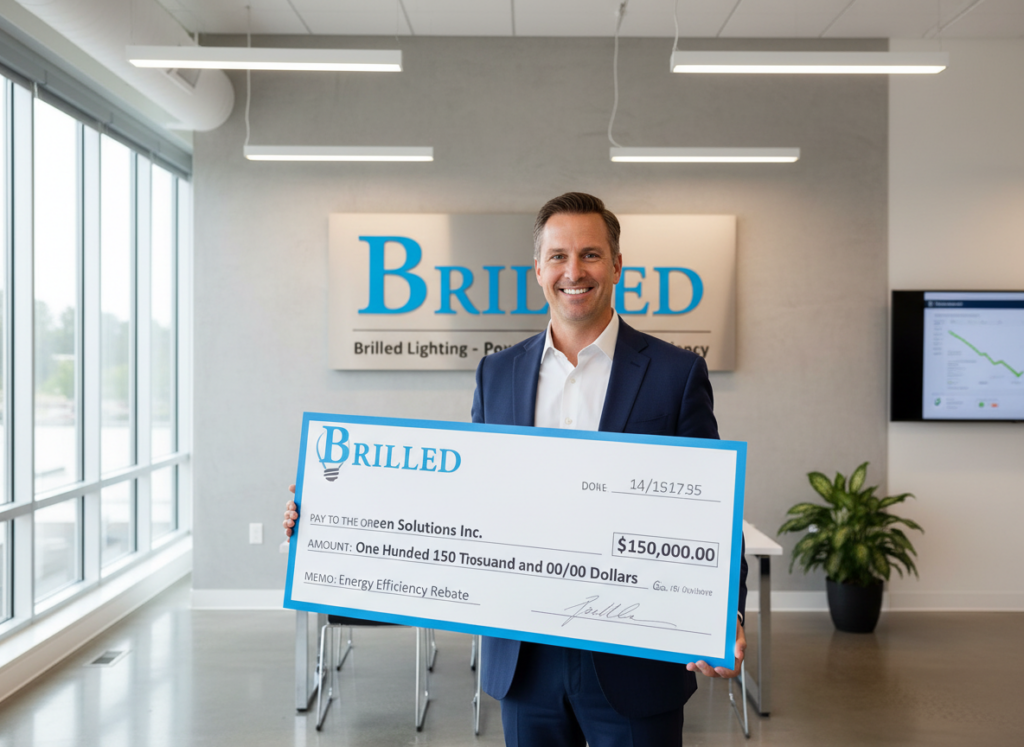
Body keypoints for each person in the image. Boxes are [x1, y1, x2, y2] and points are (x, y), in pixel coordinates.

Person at [284, 192, 747, 746]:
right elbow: (468, 498)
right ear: (537, 270)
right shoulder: (496, 374)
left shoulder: (675, 374)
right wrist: (330, 513)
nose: (573, 271)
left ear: (618, 265)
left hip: (634, 660)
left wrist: (726, 615)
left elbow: (711, 512)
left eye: (591, 255)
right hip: (528, 660)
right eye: (558, 256)